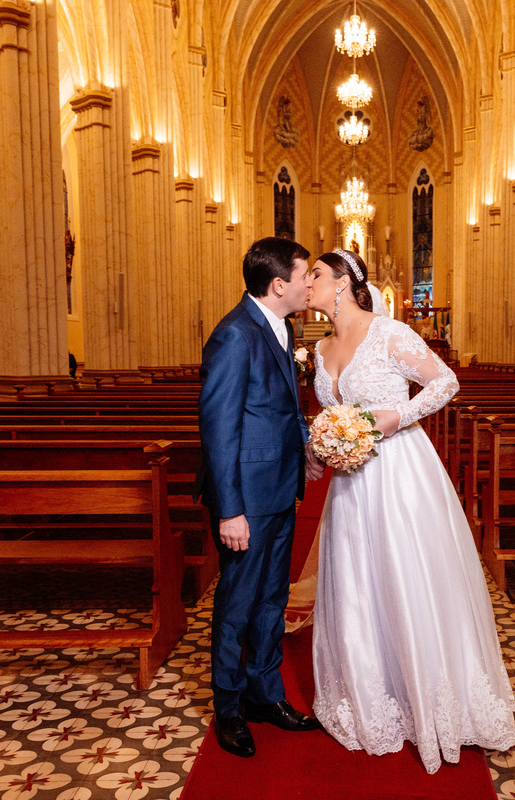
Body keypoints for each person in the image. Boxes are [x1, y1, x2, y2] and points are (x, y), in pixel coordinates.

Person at [304, 249, 515, 773]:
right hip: (351, 483)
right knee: (357, 581)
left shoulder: (390, 333)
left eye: (315, 276)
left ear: (344, 284)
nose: (305, 284)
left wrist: (396, 417)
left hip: (399, 471)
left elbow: (446, 383)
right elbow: (329, 413)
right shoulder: (318, 347)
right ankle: (369, 693)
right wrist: (323, 444)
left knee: (405, 575)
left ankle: (429, 692)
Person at [197, 237, 326, 758]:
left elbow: (281, 407)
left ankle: (264, 695)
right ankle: (228, 708)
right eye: (303, 277)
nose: (309, 285)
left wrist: (305, 449)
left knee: (272, 599)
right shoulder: (234, 335)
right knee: (237, 605)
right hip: (245, 502)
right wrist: (230, 509)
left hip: (277, 490)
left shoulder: (281, 326)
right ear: (279, 285)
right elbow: (219, 428)